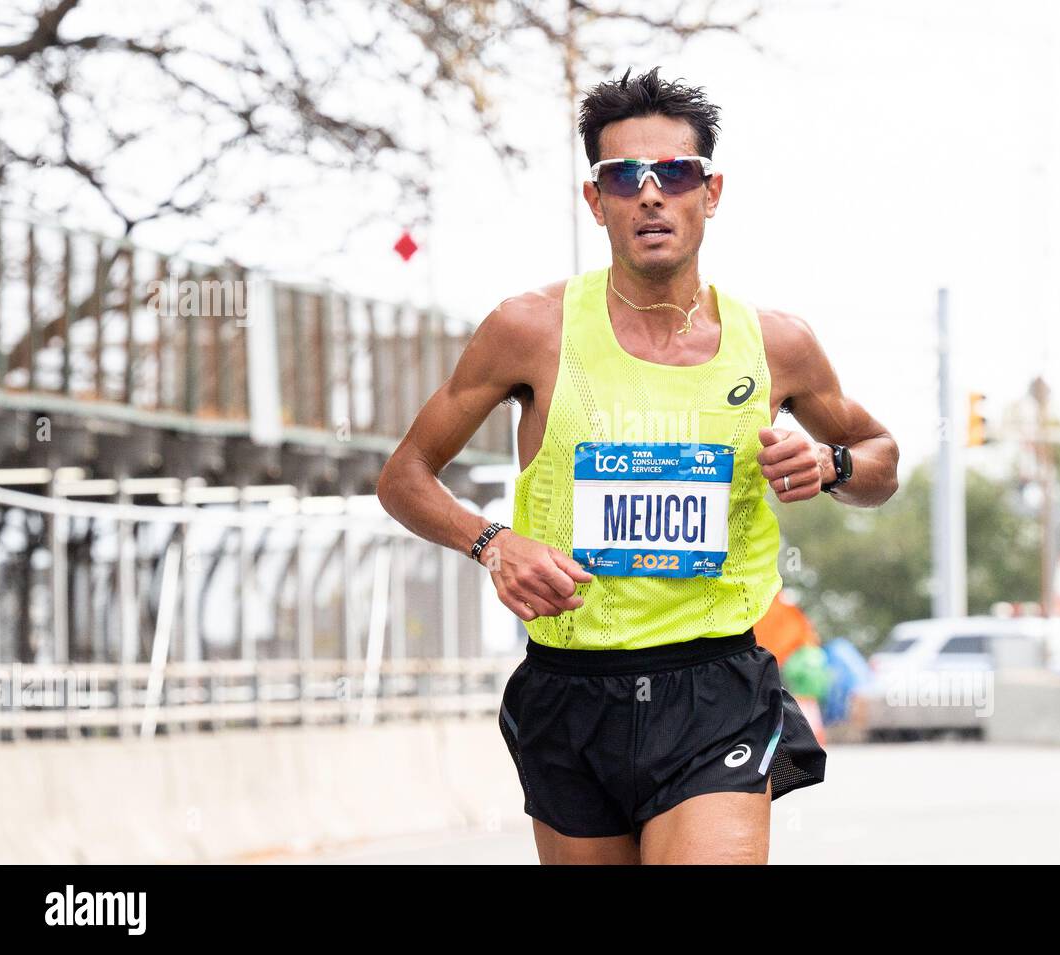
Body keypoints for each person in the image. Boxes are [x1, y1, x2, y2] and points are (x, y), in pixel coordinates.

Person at [377, 66, 899, 864]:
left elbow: (882, 460)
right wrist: (493, 543)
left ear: (710, 191)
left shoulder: (777, 344)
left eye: (675, 173)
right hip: (568, 687)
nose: (650, 193)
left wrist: (829, 463)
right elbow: (405, 475)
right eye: (624, 175)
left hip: (714, 686)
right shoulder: (530, 329)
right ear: (598, 201)